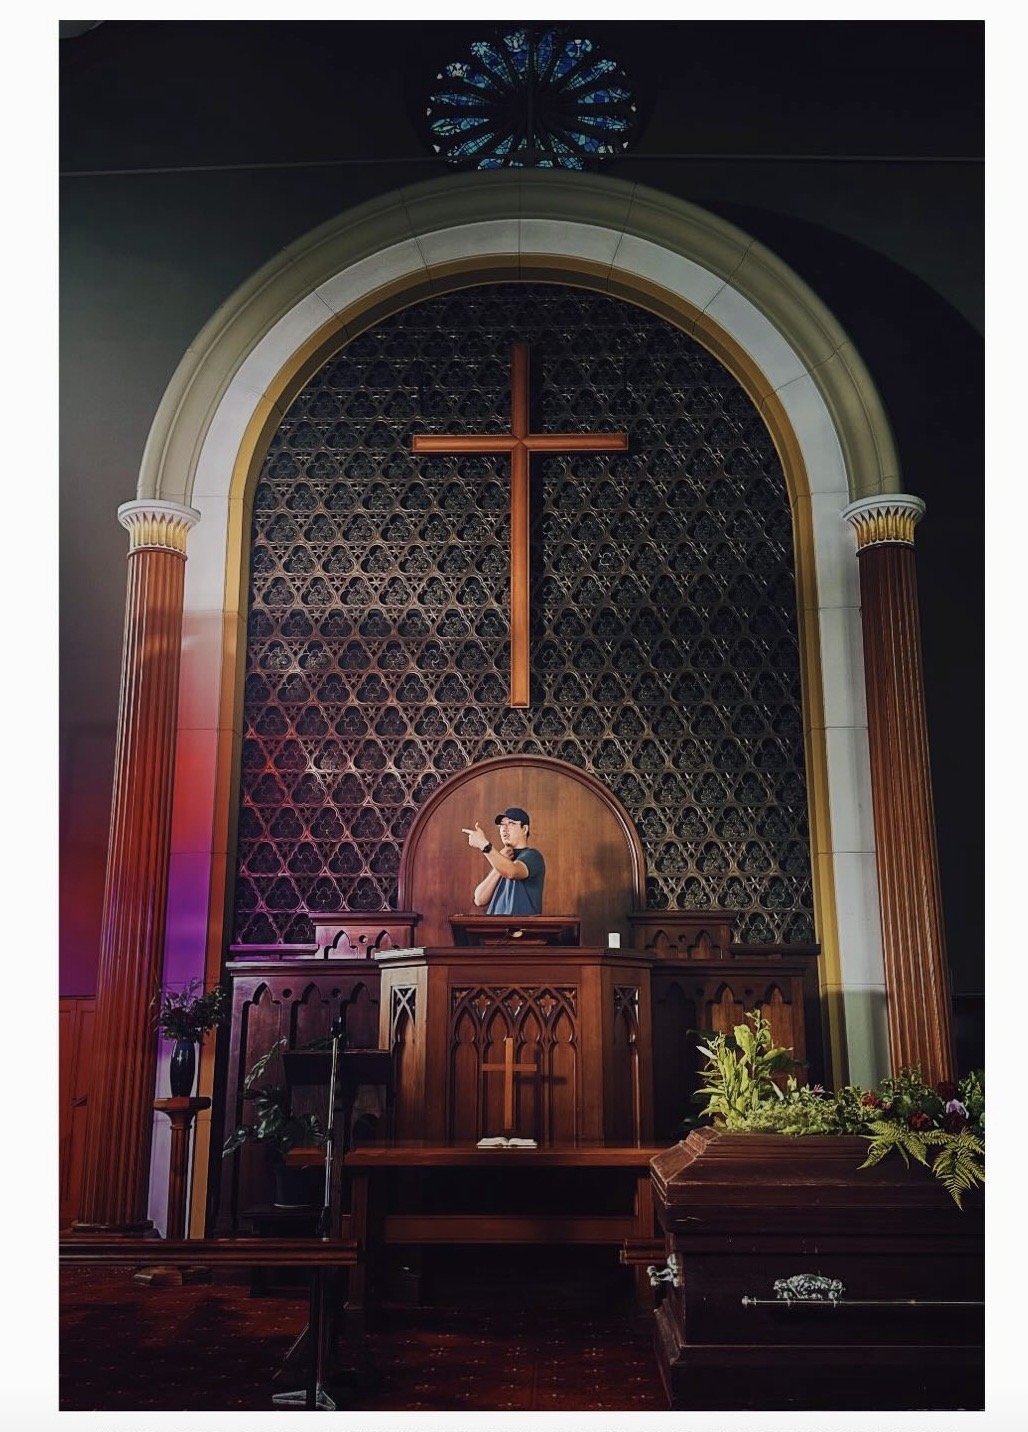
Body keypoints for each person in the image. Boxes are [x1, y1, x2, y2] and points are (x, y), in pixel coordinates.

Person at [462, 806, 545, 916]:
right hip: (496, 929)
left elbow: (512, 872)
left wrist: (484, 845)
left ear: (524, 829)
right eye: (502, 825)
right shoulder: (500, 860)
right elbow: (479, 899)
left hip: (521, 930)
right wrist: (498, 863)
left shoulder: (533, 856)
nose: (504, 828)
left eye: (511, 823)